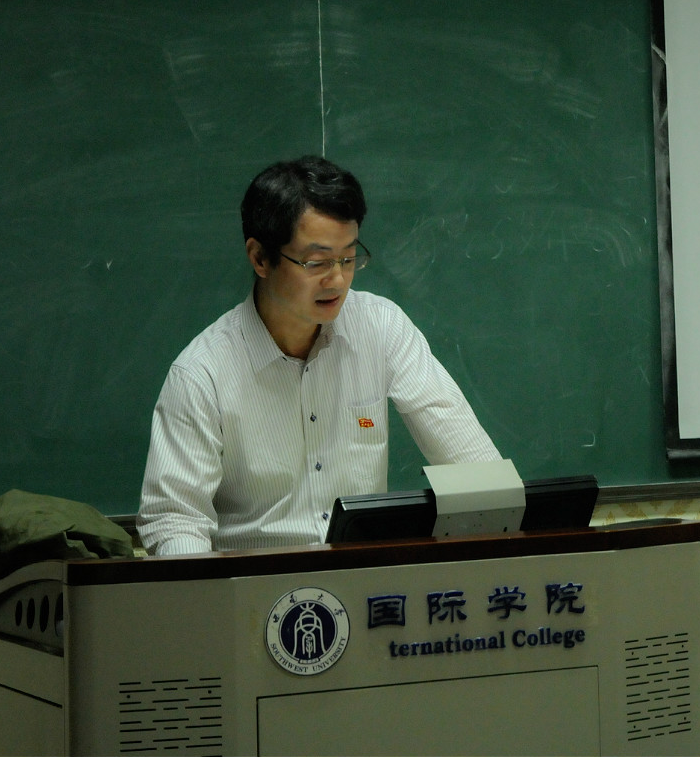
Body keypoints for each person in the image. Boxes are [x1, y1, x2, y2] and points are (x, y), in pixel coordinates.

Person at [137, 156, 500, 555]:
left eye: (348, 257)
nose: (338, 279)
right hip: (257, 582)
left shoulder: (382, 328)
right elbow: (176, 521)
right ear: (260, 258)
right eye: (317, 262)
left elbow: (474, 467)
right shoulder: (201, 373)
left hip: (363, 578)